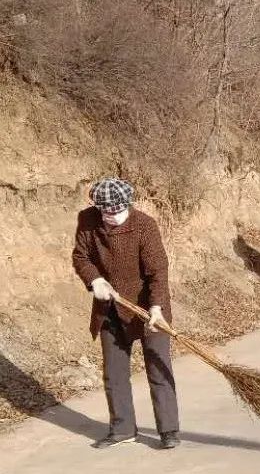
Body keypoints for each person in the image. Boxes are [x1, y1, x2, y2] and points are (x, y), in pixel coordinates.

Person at [72, 177, 180, 450]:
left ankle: (168, 430)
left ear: (128, 205)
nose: (111, 218)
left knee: (158, 368)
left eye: (117, 212)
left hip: (148, 307)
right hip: (110, 307)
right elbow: (81, 257)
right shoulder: (87, 220)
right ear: (98, 208)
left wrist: (156, 308)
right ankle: (122, 429)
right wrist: (95, 280)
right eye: (106, 212)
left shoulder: (145, 225)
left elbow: (158, 272)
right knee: (114, 373)